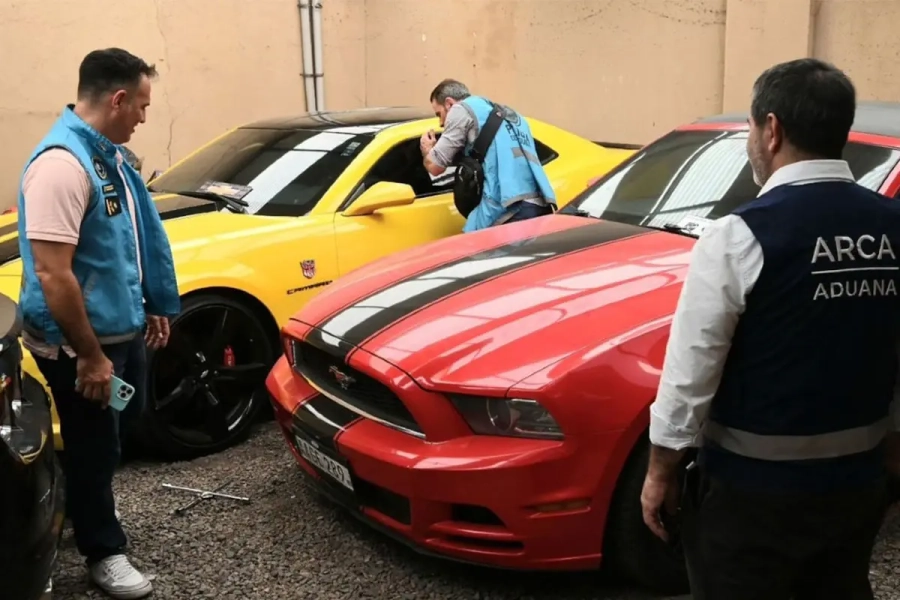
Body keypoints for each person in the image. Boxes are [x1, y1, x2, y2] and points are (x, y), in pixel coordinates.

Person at [640, 57, 900, 600]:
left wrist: (660, 470)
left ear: (772, 129)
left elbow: (691, 370)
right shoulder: (890, 226)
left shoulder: (740, 234)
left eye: (753, 131)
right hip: (856, 487)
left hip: (753, 499)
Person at [17, 48, 180, 600]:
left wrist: (152, 301)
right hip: (81, 346)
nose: (142, 116)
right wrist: (90, 356)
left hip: (118, 332)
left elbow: (127, 240)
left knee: (118, 423)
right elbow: (53, 273)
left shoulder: (106, 158)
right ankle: (103, 552)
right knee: (93, 445)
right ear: (116, 99)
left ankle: (69, 507)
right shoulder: (62, 166)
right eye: (140, 105)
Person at [419, 78, 556, 232]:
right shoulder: (510, 115)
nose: (441, 123)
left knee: (470, 248)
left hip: (509, 206)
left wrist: (427, 150)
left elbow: (435, 167)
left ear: (449, 103)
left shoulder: (460, 110)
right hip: (540, 203)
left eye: (439, 114)